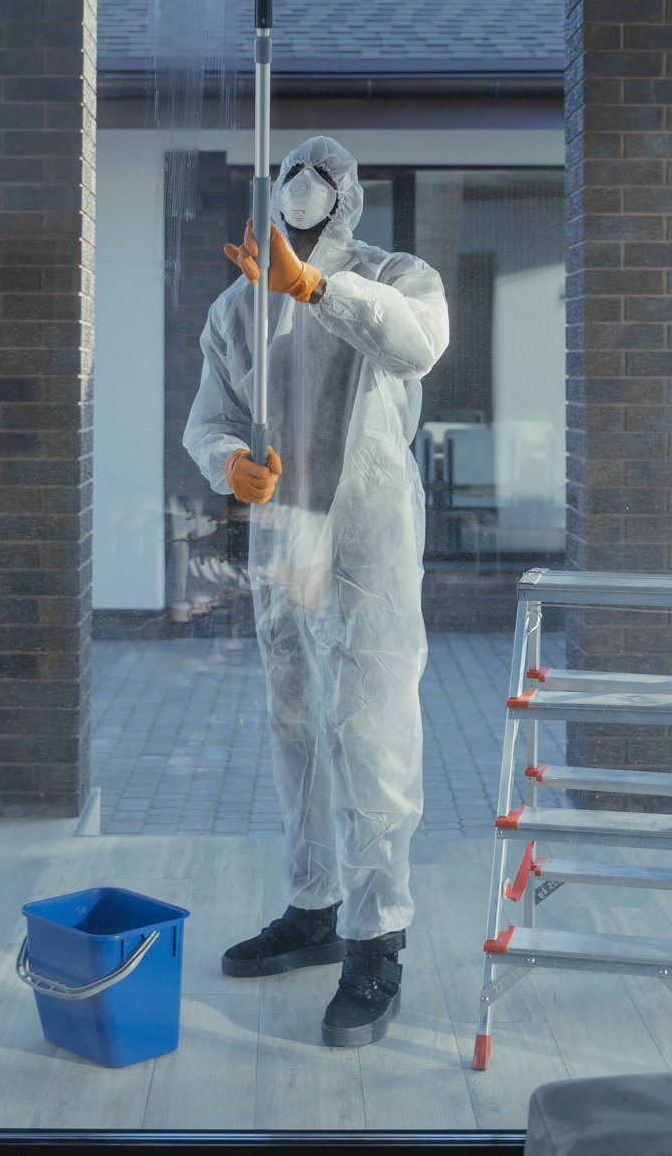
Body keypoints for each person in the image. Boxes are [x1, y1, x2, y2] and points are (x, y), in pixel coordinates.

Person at [183, 135, 449, 1047]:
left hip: (370, 528)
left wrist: (315, 288)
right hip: (285, 533)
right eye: (293, 176)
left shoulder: (397, 275)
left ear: (351, 196)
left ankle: (376, 937)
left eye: (322, 177)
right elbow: (207, 420)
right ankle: (313, 906)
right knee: (295, 721)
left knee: (372, 725)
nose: (306, 189)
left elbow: (418, 343)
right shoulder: (235, 304)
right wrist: (228, 466)